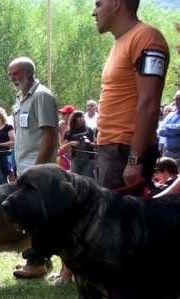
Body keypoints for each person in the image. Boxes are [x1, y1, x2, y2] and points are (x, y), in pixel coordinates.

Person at [92, 0, 170, 193]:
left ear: (116, 3)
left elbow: (149, 101)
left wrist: (135, 159)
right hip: (111, 149)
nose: (94, 12)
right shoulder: (121, 41)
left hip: (125, 151)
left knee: (119, 222)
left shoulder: (146, 37)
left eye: (99, 4)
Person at [8, 57, 58, 279]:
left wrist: (38, 168)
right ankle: (42, 257)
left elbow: (50, 133)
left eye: (16, 74)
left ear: (29, 72)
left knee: (33, 215)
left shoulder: (42, 96)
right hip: (24, 167)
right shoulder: (20, 99)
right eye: (10, 75)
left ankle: (35, 262)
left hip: (38, 169)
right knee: (33, 215)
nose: (12, 78)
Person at [62, 111, 96, 178]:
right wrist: (71, 143)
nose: (82, 118)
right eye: (80, 117)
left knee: (86, 179)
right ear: (74, 119)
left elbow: (95, 144)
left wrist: (89, 143)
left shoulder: (88, 130)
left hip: (89, 158)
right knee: (75, 179)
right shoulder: (69, 132)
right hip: (75, 158)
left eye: (83, 117)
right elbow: (64, 148)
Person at [158, 91, 180, 162]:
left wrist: (167, 127)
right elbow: (161, 131)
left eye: (179, 99)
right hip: (168, 153)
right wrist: (176, 132)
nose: (177, 102)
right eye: (176, 99)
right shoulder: (170, 115)